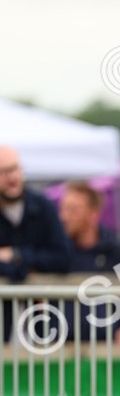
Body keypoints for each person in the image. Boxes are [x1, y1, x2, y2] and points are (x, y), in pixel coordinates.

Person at [0, 145, 71, 340]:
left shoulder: (43, 206)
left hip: (42, 324)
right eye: (3, 172)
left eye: (15, 169)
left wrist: (16, 256)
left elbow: (63, 258)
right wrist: (28, 268)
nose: (12, 177)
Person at [59, 180, 120, 339]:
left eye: (73, 210)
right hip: (59, 350)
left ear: (94, 215)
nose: (64, 216)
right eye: (63, 208)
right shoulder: (56, 253)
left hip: (108, 352)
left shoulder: (117, 252)